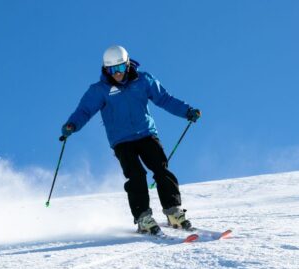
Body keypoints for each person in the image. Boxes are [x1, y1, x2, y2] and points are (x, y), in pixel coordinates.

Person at [61, 45, 201, 235]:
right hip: (121, 140)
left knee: (161, 168)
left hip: (146, 134)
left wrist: (186, 111)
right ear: (105, 69)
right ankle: (143, 217)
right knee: (136, 175)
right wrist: (72, 125)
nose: (117, 74)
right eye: (112, 70)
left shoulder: (143, 80)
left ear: (127, 64)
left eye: (119, 68)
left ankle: (173, 211)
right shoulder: (99, 90)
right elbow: (84, 111)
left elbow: (164, 99)